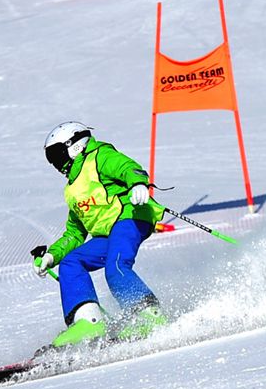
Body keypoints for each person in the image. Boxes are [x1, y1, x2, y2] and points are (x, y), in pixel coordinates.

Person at [34, 121, 168, 347]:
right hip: (107, 233)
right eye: (51, 158)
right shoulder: (72, 188)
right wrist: (52, 256)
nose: (56, 163)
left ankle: (149, 314)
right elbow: (75, 233)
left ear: (74, 145)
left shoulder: (100, 156)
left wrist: (138, 184)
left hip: (130, 215)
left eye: (57, 154)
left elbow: (127, 167)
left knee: (115, 267)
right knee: (71, 263)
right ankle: (90, 321)